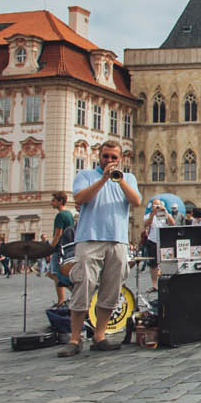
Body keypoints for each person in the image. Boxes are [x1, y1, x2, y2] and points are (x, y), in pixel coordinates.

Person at [60, 139, 142, 356]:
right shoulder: (85, 176)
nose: (109, 160)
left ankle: (100, 335)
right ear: (99, 156)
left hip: (117, 240)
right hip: (89, 239)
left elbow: (136, 201)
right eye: (106, 156)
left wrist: (120, 180)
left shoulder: (129, 178)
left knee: (111, 290)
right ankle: (75, 338)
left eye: (114, 157)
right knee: (83, 287)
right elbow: (80, 198)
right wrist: (103, 180)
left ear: (120, 159)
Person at [141, 197, 173, 288]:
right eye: (155, 205)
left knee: (167, 262)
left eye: (158, 204)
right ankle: (154, 285)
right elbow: (147, 224)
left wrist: (165, 212)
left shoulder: (166, 213)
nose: (157, 206)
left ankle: (167, 284)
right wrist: (153, 213)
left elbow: (172, 223)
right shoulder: (148, 215)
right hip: (153, 240)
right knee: (153, 264)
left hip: (164, 240)